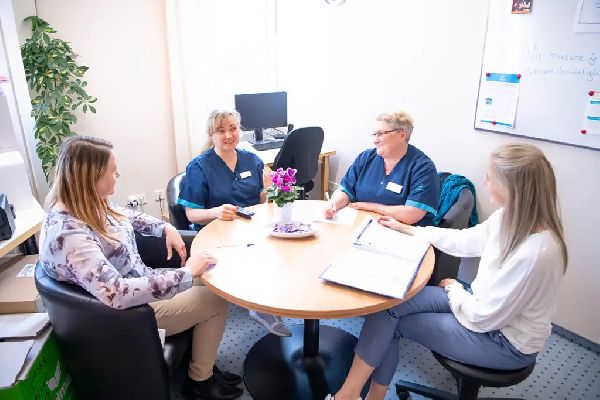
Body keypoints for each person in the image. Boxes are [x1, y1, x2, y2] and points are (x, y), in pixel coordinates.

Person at [329, 143, 568, 400]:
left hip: (501, 340)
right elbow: (466, 240)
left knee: (391, 325)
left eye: (491, 177)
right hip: (479, 304)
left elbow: (482, 318)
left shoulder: (535, 253)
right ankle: (352, 395)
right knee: (389, 304)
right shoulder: (509, 218)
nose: (485, 182)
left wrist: (455, 289)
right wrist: (411, 230)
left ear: (513, 188)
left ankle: (351, 397)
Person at [38, 136, 243, 400]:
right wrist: (185, 273)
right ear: (90, 177)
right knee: (215, 299)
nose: (118, 174)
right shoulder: (69, 234)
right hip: (129, 313)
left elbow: (127, 215)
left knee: (213, 275)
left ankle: (205, 363)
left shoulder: (89, 202)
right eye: (112, 170)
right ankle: (200, 382)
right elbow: (117, 293)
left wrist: (165, 227)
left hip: (141, 283)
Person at [177, 109, 292, 337]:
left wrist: (269, 190)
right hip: (216, 232)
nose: (228, 135)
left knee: (285, 243)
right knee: (254, 252)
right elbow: (191, 214)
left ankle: (270, 300)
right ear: (212, 135)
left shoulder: (252, 160)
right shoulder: (199, 167)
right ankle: (261, 307)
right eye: (221, 131)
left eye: (233, 129)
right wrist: (216, 212)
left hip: (251, 227)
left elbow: (261, 202)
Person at [324, 111, 439, 226]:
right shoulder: (366, 158)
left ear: (402, 135)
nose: (375, 140)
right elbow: (345, 191)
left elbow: (411, 215)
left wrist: (371, 207)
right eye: (374, 134)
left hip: (402, 230)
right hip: (363, 224)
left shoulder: (423, 168)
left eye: (380, 134)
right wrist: (333, 205)